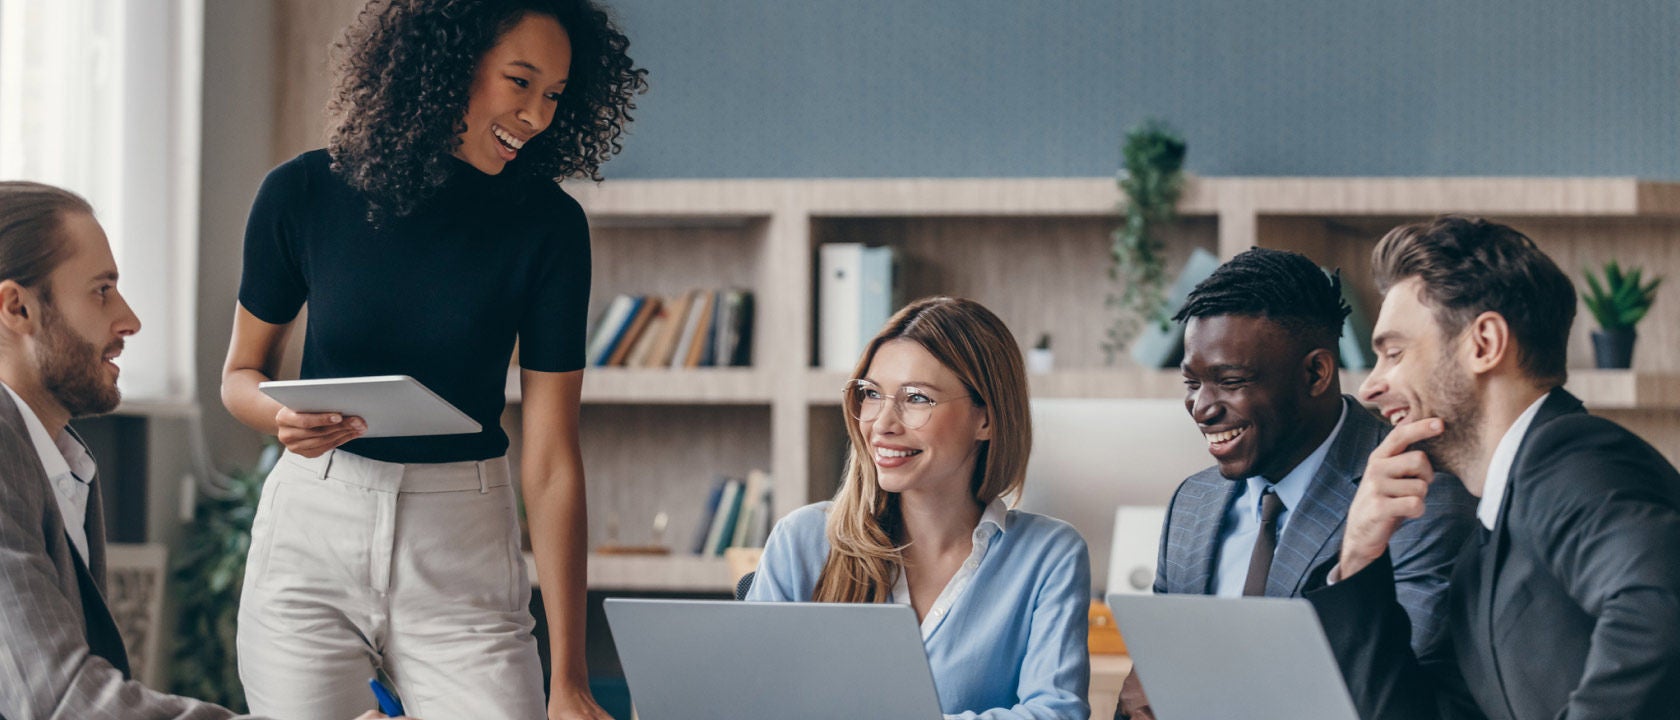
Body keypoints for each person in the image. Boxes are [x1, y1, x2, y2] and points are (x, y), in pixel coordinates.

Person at [220, 1, 645, 718]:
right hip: (312, 532)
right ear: (448, 64)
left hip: (462, 544)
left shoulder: (548, 227)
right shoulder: (302, 193)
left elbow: (549, 459)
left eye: (554, 96)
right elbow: (240, 376)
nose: (537, 117)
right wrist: (283, 415)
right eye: (520, 82)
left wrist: (567, 674)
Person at [0, 182, 399, 719]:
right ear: (16, 307)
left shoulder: (56, 460)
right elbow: (62, 699)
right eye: (101, 291)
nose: (130, 321)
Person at [1305, 216, 1680, 719]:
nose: (1370, 387)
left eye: (1393, 352)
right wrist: (1358, 561)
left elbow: (1659, 610)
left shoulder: (1570, 455)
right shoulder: (1480, 557)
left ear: (1484, 343)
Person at [1116, 248, 1477, 720]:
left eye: (1230, 380)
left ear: (1316, 373)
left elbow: (1396, 699)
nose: (1202, 407)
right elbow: (1149, 683)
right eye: (1192, 383)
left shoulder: (1415, 497)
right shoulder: (1193, 502)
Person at [747, 296, 1091, 719]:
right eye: (871, 394)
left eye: (917, 399)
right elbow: (753, 704)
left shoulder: (1049, 554)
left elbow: (1056, 713)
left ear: (986, 418)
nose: (882, 423)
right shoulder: (802, 540)